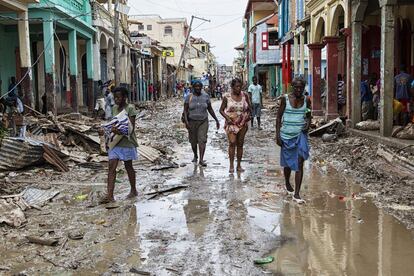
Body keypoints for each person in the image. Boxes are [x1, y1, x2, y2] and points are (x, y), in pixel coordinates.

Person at [276, 76, 311, 204]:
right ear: (292, 87)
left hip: (300, 136)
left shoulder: (307, 99)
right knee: (287, 164)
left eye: (301, 87)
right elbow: (279, 117)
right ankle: (287, 182)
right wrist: (277, 136)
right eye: (296, 87)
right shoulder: (285, 99)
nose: (298, 90)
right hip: (286, 136)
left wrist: (308, 123)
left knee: (299, 163)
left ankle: (296, 194)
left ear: (303, 88)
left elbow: (308, 115)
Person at [102, 86, 138, 203]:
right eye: (115, 97)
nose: (116, 99)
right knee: (111, 167)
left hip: (127, 142)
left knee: (128, 166)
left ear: (125, 97)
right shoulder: (114, 109)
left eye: (119, 97)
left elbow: (131, 129)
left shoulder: (130, 109)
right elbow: (114, 122)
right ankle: (110, 195)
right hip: (115, 142)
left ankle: (133, 190)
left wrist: (121, 130)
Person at [183, 80, 220, 167]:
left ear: (201, 87)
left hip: (203, 121)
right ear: (193, 87)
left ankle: (201, 159)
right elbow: (185, 111)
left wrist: (216, 120)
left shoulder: (206, 96)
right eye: (196, 86)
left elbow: (210, 109)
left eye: (199, 86)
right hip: (192, 122)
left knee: (202, 140)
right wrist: (186, 122)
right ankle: (195, 155)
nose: (198, 88)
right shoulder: (189, 97)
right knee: (193, 141)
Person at [220, 78, 251, 173]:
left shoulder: (245, 95)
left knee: (240, 144)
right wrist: (227, 118)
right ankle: (231, 165)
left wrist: (249, 115)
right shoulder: (227, 97)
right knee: (232, 142)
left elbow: (249, 108)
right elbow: (221, 110)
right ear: (232, 87)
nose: (239, 89)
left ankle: (239, 165)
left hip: (242, 123)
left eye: (240, 86)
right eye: (237, 86)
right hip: (231, 123)